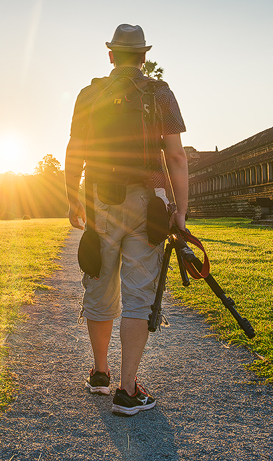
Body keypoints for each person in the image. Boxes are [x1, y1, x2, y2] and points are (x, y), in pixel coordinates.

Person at [64, 23, 188, 416]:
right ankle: (128, 388)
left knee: (99, 282)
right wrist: (181, 211)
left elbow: (74, 151)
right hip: (147, 201)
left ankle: (100, 373)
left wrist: (73, 201)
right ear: (145, 57)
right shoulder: (160, 93)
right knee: (138, 293)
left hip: (100, 197)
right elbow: (177, 157)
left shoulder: (89, 94)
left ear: (111, 55)